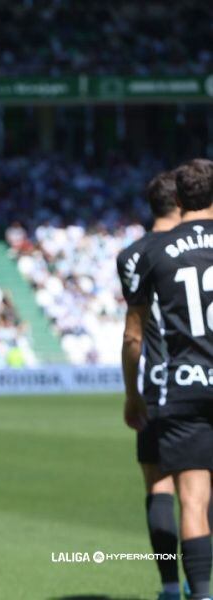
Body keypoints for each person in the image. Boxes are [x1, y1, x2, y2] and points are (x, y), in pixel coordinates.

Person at [129, 158, 213, 600]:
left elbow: (133, 334)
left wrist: (131, 393)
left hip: (178, 384)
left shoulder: (148, 252)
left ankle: (189, 591)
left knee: (191, 498)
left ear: (180, 200)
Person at [118, 171, 183, 600]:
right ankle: (203, 584)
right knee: (201, 487)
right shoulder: (201, 248)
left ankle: (169, 587)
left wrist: (132, 393)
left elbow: (132, 333)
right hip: (200, 377)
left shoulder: (133, 254)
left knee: (158, 485)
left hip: (156, 384)